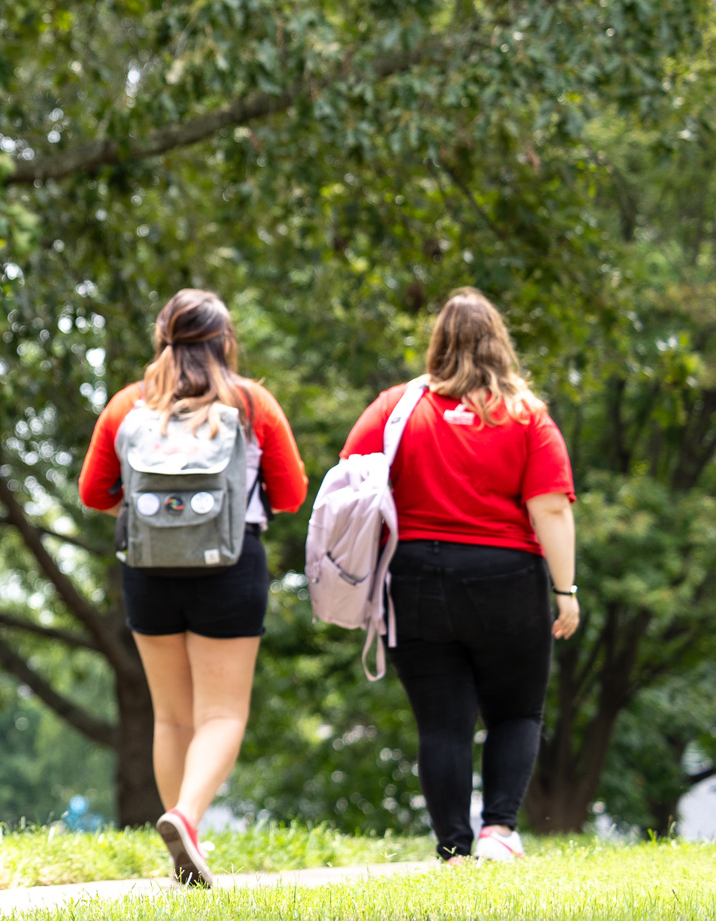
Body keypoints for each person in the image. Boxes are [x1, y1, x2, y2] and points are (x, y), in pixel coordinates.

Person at [76, 289, 308, 886]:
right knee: (223, 712)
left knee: (172, 716)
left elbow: (94, 494)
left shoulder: (128, 405)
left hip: (148, 570)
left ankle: (184, 842)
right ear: (225, 341)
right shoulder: (252, 403)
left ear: (162, 338)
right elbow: (289, 495)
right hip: (230, 566)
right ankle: (186, 817)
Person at [340, 288, 578, 864]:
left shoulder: (397, 407)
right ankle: (499, 831)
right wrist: (565, 591)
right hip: (507, 579)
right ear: (501, 343)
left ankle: (452, 848)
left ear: (438, 343)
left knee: (442, 723)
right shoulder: (526, 415)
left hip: (415, 575)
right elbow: (550, 508)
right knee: (516, 710)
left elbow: (350, 478)